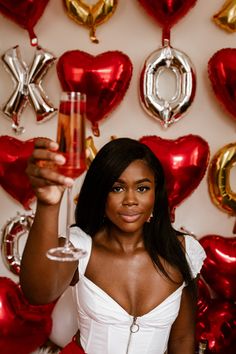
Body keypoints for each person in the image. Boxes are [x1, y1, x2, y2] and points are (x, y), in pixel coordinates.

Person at [20, 137, 206, 354]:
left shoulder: (184, 252)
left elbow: (182, 340)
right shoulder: (81, 246)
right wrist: (48, 205)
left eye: (143, 188)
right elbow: (37, 293)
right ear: (101, 194)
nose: (130, 200)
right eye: (117, 188)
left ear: (156, 194)